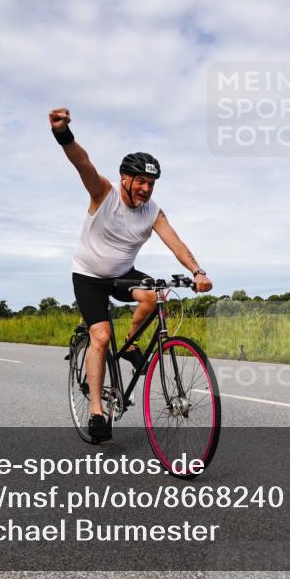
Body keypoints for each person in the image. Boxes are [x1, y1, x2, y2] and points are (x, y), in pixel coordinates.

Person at [49, 107, 213, 442]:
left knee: (155, 295)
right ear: (125, 178)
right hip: (89, 276)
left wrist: (197, 270)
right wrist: (63, 134)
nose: (146, 189)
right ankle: (97, 411)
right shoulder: (103, 193)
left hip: (123, 273)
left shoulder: (153, 211)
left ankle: (131, 344)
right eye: (140, 181)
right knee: (100, 336)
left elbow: (175, 243)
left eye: (151, 184)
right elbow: (83, 163)